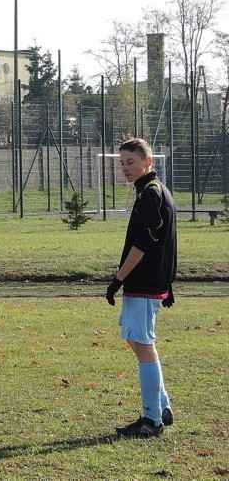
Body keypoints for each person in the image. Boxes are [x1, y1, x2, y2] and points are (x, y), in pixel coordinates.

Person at [106, 138, 177, 437]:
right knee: (137, 341)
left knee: (143, 345)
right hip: (149, 282)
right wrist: (168, 282)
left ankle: (152, 420)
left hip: (143, 282)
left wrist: (119, 278)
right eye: (121, 163)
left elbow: (146, 242)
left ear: (148, 162)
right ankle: (161, 407)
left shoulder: (151, 193)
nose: (125, 168)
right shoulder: (153, 191)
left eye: (131, 162)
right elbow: (166, 241)